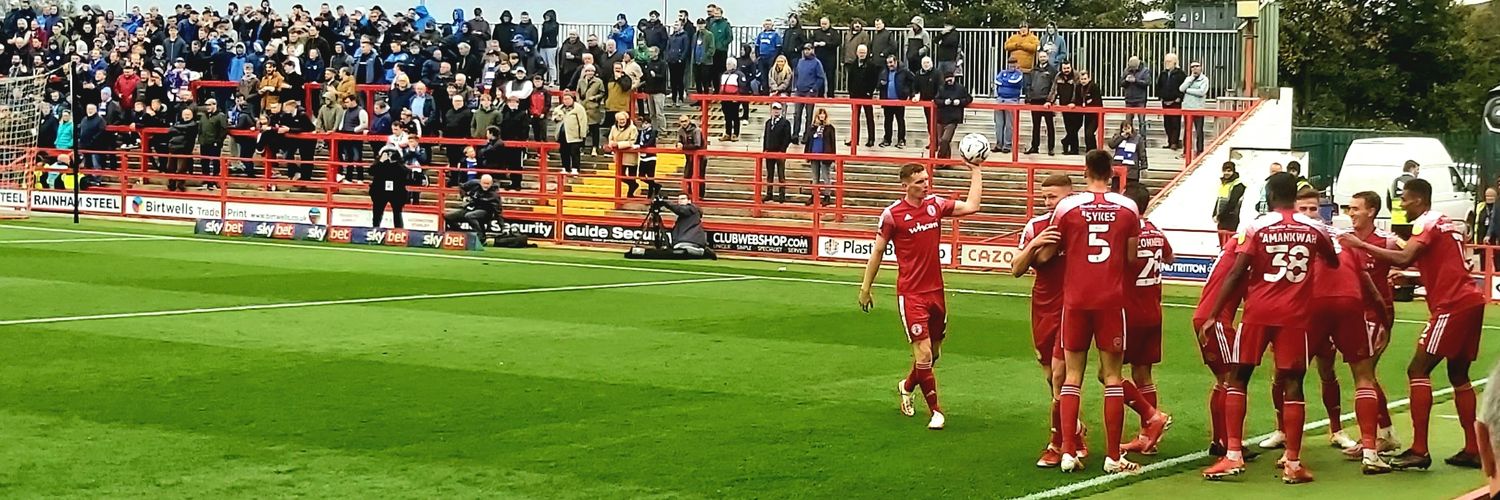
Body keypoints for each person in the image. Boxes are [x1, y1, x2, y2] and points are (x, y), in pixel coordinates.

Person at [1338, 178, 1487, 471]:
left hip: (1452, 304)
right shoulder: (1448, 223)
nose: (1401, 205)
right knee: (1458, 375)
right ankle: (1473, 447)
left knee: (1418, 369)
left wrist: (1360, 244)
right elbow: (1441, 261)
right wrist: (1408, 275)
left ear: (1418, 200)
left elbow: (1406, 257)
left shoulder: (1425, 223)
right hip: (1471, 300)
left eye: (1404, 200)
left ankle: (1419, 450)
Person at [1198, 172, 1338, 483]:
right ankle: (1293, 462)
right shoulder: (1315, 227)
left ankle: (1232, 455)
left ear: (1271, 195)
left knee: (1239, 376)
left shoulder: (1257, 226)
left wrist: (1214, 313)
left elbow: (1237, 272)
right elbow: (1332, 260)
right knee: (1293, 383)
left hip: (1258, 312)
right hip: (1296, 316)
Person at [1037, 150, 1169, 474]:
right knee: (1112, 377)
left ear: (1085, 172)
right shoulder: (1127, 209)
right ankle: (1113, 457)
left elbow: (1051, 249)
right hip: (1111, 301)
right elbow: (1132, 257)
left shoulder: (1068, 207)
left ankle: (1068, 452)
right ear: (1112, 174)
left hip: (1076, 301)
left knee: (1071, 377)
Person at [857, 157, 986, 432]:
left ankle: (906, 385)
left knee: (933, 355)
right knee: (924, 353)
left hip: (936, 292)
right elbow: (878, 252)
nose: (925, 185)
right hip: (911, 293)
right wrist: (866, 288)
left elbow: (972, 206)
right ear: (905, 185)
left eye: (926, 180)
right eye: (919, 182)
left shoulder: (935, 205)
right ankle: (936, 411)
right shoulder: (892, 215)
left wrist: (976, 171)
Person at [1291, 188, 1394, 473]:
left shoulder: (1295, 236)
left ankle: (1292, 456)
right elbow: (1366, 281)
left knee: (1292, 373)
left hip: (1314, 305)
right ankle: (1371, 452)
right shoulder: (1343, 239)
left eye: (1313, 208)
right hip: (1352, 304)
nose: (1310, 213)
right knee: (1363, 376)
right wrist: (1385, 318)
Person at [1010, 174, 1089, 467]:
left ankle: (1058, 444)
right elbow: (1016, 269)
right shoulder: (1036, 226)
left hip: (1074, 308)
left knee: (1060, 375)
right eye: (1045, 198)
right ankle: (1075, 431)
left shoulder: (1083, 225)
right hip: (1043, 308)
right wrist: (1035, 245)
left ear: (1070, 196)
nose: (1048, 203)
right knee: (1051, 377)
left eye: (1053, 197)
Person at [1119, 183, 1175, 456]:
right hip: (1153, 309)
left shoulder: (1125, 232)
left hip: (1128, 311)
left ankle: (1152, 416)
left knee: (1109, 374)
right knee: (1143, 373)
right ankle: (1147, 436)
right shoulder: (1154, 230)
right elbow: (1170, 258)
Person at [446, 174, 501, 242]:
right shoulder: (474, 183)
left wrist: (502, 226)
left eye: (488, 184)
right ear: (480, 181)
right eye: (484, 183)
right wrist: (464, 196)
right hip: (470, 208)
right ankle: (461, 234)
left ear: (491, 183)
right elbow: (462, 186)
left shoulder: (494, 194)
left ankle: (481, 237)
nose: (486, 185)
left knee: (470, 216)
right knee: (448, 216)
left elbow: (498, 212)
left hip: (485, 211)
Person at [846, 44, 880, 148]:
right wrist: (850, 92)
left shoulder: (871, 65)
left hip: (866, 95)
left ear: (867, 53)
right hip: (855, 95)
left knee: (869, 117)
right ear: (857, 53)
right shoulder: (853, 65)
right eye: (860, 52)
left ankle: (871, 139)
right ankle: (854, 139)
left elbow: (874, 80)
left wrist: (870, 92)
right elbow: (850, 80)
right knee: (855, 118)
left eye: (863, 53)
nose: (862, 54)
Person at [934, 70, 972, 159]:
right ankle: (946, 161)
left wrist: (959, 102)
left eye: (951, 78)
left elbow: (969, 98)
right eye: (947, 79)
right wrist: (944, 102)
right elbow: (936, 100)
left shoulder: (960, 88)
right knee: (941, 141)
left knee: (945, 139)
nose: (949, 80)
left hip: (953, 119)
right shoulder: (941, 88)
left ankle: (940, 160)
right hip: (941, 117)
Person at [877, 55, 913, 148]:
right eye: (888, 63)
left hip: (899, 100)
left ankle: (901, 140)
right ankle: (887, 139)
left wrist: (908, 93)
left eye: (891, 62)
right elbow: (877, 85)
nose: (889, 65)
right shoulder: (884, 71)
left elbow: (913, 81)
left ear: (896, 62)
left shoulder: (904, 71)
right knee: (888, 121)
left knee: (900, 120)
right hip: (887, 101)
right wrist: (881, 83)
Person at [792, 43, 826, 141]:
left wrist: (814, 88)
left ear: (812, 50)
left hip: (810, 92)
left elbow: (821, 78)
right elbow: (796, 74)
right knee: (797, 114)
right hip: (799, 91)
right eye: (805, 49)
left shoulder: (817, 62)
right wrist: (795, 86)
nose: (807, 51)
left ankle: (807, 136)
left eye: (809, 49)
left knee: (809, 115)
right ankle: (795, 135)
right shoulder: (800, 61)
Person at [1025, 51, 1057, 156]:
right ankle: (1034, 146)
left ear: (1047, 57)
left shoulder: (1052, 70)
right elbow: (1028, 85)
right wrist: (1028, 98)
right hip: (1035, 100)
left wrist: (1050, 100)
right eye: (1041, 56)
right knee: (1036, 125)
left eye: (1044, 56)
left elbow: (1054, 87)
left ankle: (1051, 148)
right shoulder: (1033, 70)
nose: (1042, 58)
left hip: (1046, 101)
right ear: (1038, 57)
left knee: (1050, 125)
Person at [369, 144, 408, 228]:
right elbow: (371, 171)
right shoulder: (379, 162)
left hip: (396, 190)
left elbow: (405, 173)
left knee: (397, 212)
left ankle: (399, 231)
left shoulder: (399, 164)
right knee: (377, 212)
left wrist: (395, 162)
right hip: (380, 189)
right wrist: (381, 161)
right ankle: (375, 230)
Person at [804, 108, 836, 206]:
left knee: (826, 176)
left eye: (823, 114)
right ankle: (814, 195)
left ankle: (827, 196)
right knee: (815, 177)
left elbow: (832, 143)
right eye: (820, 114)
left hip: (825, 154)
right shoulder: (812, 128)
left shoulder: (830, 128)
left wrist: (833, 156)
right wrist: (806, 154)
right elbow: (808, 141)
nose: (822, 116)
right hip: (814, 154)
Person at [761, 102, 793, 203]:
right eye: (774, 109)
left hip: (780, 152)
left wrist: (782, 150)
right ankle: (769, 194)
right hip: (769, 151)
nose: (776, 111)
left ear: (781, 110)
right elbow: (766, 136)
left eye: (778, 109)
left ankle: (781, 195)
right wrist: (765, 149)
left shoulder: (785, 123)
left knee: (781, 175)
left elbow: (787, 138)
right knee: (769, 174)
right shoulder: (768, 122)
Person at [553, 92, 588, 178]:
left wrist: (583, 134)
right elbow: (554, 118)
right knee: (564, 152)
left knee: (574, 152)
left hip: (575, 135)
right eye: (564, 99)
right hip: (562, 134)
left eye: (568, 99)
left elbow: (583, 122)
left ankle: (575, 169)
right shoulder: (559, 108)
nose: (566, 101)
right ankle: (565, 168)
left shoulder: (579, 108)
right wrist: (558, 117)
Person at [197, 98, 229, 190]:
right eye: (206, 105)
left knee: (215, 162)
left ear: (214, 105)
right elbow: (200, 128)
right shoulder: (203, 116)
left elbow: (223, 130)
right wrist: (200, 139)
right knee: (204, 162)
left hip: (214, 143)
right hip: (204, 142)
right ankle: (205, 180)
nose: (207, 107)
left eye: (209, 105)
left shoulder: (220, 116)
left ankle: (214, 181)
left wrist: (218, 141)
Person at [164, 107, 199, 192]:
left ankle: (180, 185)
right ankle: (171, 185)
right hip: (173, 148)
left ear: (192, 116)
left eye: (188, 115)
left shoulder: (193, 124)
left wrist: (177, 129)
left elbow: (187, 129)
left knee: (181, 169)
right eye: (185, 114)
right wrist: (180, 130)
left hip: (184, 149)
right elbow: (170, 130)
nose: (186, 116)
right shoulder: (178, 122)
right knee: (169, 167)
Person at [993, 58, 1023, 154]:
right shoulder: (1002, 72)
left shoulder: (1019, 74)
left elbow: (1014, 82)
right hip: (1000, 99)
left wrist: (1004, 82)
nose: (1012, 65)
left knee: (1009, 125)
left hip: (1012, 100)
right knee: (998, 124)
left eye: (1014, 63)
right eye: (1010, 63)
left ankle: (1007, 145)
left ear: (1017, 64)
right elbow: (997, 81)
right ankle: (999, 144)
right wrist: (1007, 82)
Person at [1157, 53, 1187, 150]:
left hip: (1175, 102)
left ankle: (1174, 142)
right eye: (1166, 61)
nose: (1167, 63)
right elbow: (1159, 86)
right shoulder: (1163, 74)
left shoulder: (1181, 74)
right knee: (1167, 123)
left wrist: (1179, 97)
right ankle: (1170, 141)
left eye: (1169, 61)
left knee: (1175, 123)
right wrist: (1160, 96)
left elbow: (1184, 87)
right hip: (1165, 102)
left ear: (1175, 62)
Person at [1180, 62, 1209, 154]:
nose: (1195, 68)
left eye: (1197, 66)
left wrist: (1187, 90)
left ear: (1201, 67)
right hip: (1187, 108)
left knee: (1199, 130)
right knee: (1187, 130)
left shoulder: (1204, 79)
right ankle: (1186, 151)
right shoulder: (1188, 78)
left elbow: (1202, 92)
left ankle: (1200, 150)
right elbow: (1181, 88)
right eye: (1192, 67)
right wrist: (1191, 79)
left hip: (1198, 108)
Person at [1214, 161, 1247, 242]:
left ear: (1233, 171)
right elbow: (1219, 199)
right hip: (1222, 219)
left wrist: (1220, 216)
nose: (1226, 173)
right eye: (1225, 170)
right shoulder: (1224, 184)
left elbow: (1232, 203)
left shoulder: (1238, 185)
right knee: (1222, 242)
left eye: (1229, 171)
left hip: (1230, 218)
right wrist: (1214, 213)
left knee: (1228, 243)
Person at [677, 114, 707, 199]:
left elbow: (697, 145)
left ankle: (700, 195)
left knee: (700, 176)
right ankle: (689, 193)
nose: (684, 123)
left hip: (700, 157)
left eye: (685, 121)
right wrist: (678, 144)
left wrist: (683, 147)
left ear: (689, 121)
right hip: (689, 157)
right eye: (682, 122)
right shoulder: (680, 131)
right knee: (687, 176)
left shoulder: (696, 130)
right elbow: (678, 141)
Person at [1121, 56, 1151, 136]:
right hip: (1129, 99)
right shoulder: (1127, 70)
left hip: (1140, 99)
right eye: (1131, 67)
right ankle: (1128, 138)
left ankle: (1143, 140)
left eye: (1134, 67)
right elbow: (1121, 83)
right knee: (1128, 122)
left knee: (1142, 121)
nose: (1132, 69)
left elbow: (1147, 83)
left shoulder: (1145, 71)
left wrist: (1136, 81)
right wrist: (1126, 81)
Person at [718, 59, 746, 141]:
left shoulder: (739, 74)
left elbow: (743, 87)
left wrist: (738, 98)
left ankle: (736, 134)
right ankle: (728, 133)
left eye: (729, 64)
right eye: (727, 64)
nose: (727, 65)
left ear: (734, 65)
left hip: (734, 99)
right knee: (727, 117)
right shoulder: (724, 74)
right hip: (724, 99)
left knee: (735, 116)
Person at [1076, 70, 1103, 152]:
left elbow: (1098, 101)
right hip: (1086, 114)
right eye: (1082, 79)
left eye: (1085, 79)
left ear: (1089, 78)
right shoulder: (1078, 87)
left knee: (1089, 133)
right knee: (1086, 134)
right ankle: (1089, 151)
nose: (1083, 81)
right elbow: (1077, 100)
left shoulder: (1094, 87)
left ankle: (1094, 151)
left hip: (1095, 114)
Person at [635, 116, 662, 199]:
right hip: (643, 157)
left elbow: (650, 142)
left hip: (651, 157)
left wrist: (641, 146)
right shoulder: (641, 132)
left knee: (650, 176)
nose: (644, 125)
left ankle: (650, 194)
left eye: (646, 123)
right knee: (641, 176)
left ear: (649, 124)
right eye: (643, 123)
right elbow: (637, 141)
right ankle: (656, 186)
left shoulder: (653, 131)